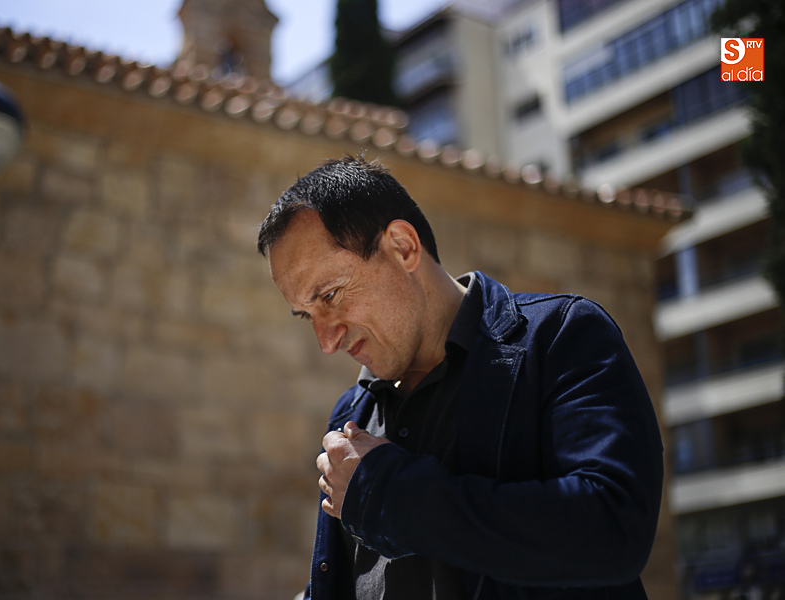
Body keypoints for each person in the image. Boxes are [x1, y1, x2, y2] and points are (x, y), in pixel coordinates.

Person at [257, 155, 664, 600]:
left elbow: (612, 531)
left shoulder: (560, 337)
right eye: (306, 315)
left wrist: (390, 496)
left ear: (403, 246)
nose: (326, 341)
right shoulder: (351, 413)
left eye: (330, 295)